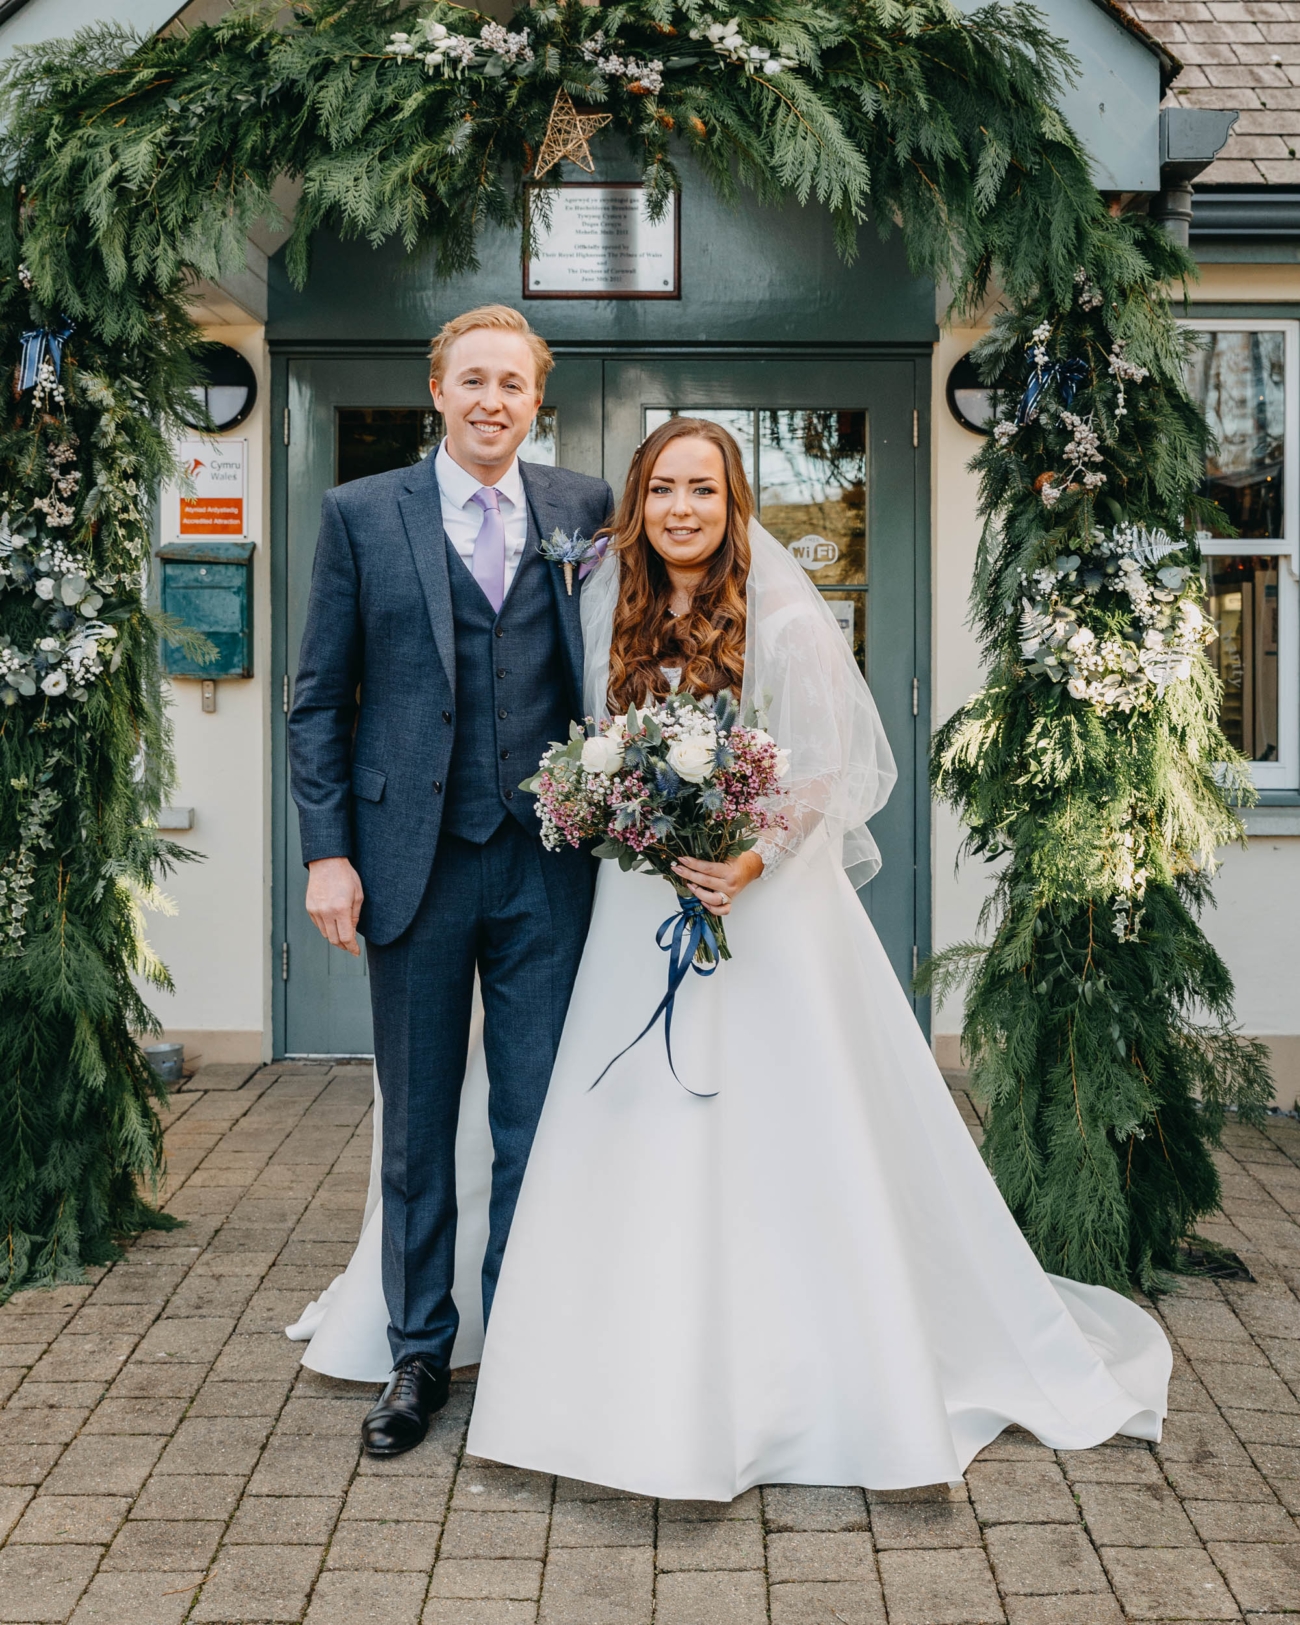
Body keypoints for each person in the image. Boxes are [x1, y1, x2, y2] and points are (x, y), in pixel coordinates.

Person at [461, 417, 1172, 1498]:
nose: (683, 510)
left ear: (733, 500)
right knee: (629, 1115)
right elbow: (599, 744)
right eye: (662, 492)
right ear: (638, 506)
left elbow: (830, 772)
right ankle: (613, 1366)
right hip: (633, 905)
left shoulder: (783, 619)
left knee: (770, 1126)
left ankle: (789, 1373)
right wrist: (617, 812)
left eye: (703, 489)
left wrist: (743, 860)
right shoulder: (614, 602)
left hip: (762, 908)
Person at [286, 304, 611, 1458]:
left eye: (512, 384)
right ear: (437, 389)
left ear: (537, 399)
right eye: (471, 379)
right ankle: (419, 1351)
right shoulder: (362, 513)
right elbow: (320, 700)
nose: (491, 400)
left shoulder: (581, 508)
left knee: (537, 1118)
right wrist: (328, 851)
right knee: (418, 1128)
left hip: (546, 864)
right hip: (405, 864)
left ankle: (522, 1339)